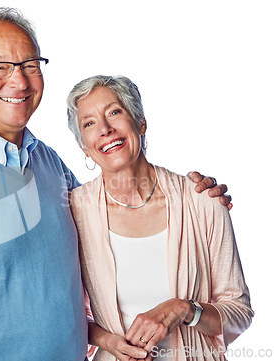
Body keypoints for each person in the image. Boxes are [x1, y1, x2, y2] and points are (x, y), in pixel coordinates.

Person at [0, 7, 231, 360]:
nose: (19, 81)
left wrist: (195, 194)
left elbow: (110, 218)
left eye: (30, 65)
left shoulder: (48, 164)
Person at [67, 75, 253, 361]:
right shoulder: (74, 211)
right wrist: (109, 342)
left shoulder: (202, 201)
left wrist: (184, 309)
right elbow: (69, 315)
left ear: (140, 122)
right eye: (89, 123)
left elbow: (239, 314)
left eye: (114, 112)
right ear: (84, 147)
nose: (104, 129)